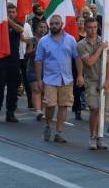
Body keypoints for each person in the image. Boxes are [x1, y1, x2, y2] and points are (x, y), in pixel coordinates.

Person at [35, 14, 84, 143]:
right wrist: (39, 80)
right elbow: (38, 60)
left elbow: (77, 58)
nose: (53, 26)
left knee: (63, 105)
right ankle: (48, 125)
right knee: (50, 105)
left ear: (62, 24)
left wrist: (80, 75)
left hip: (66, 79)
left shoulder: (71, 40)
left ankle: (59, 132)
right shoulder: (43, 41)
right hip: (50, 79)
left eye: (56, 23)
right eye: (51, 24)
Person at [78, 17, 109, 149]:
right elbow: (90, 62)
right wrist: (101, 48)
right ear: (85, 28)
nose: (93, 30)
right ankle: (92, 136)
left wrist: (108, 80)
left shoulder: (104, 41)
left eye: (95, 27)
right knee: (94, 109)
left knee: (102, 110)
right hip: (91, 80)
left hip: (104, 80)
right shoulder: (81, 45)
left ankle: (101, 136)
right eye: (90, 27)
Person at [0, 3, 24, 123]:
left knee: (13, 89)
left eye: (14, 12)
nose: (12, 14)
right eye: (9, 12)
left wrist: (8, 20)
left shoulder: (18, 23)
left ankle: (10, 113)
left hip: (14, 61)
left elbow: (20, 30)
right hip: (0, 60)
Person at [28, 21, 49, 121]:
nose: (43, 29)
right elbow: (26, 54)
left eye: (45, 27)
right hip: (32, 68)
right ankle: (38, 111)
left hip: (46, 69)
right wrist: (35, 51)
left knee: (43, 91)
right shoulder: (32, 40)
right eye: (41, 27)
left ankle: (41, 110)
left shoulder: (49, 40)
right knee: (36, 89)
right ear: (36, 28)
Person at [72, 17, 86, 120]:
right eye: (78, 22)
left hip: (88, 64)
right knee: (77, 88)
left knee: (85, 87)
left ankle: (86, 103)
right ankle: (77, 109)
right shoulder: (73, 36)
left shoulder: (89, 36)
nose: (80, 24)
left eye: (82, 22)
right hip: (75, 64)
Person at [19, 20, 34, 109]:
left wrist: (24, 39)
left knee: (26, 80)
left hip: (24, 56)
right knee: (14, 80)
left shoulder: (27, 25)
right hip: (14, 56)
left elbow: (31, 40)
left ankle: (30, 101)